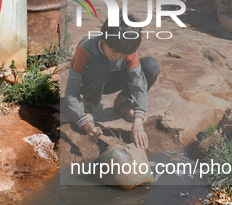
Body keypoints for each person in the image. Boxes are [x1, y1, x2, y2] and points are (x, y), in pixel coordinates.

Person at [64, 15, 160, 149]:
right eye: (114, 51)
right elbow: (71, 92)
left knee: (151, 66)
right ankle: (88, 105)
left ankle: (122, 101)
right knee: (100, 64)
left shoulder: (127, 48)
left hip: (112, 80)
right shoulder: (85, 48)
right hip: (91, 81)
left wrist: (138, 123)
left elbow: (138, 83)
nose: (116, 57)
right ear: (103, 39)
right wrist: (86, 124)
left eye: (122, 54)